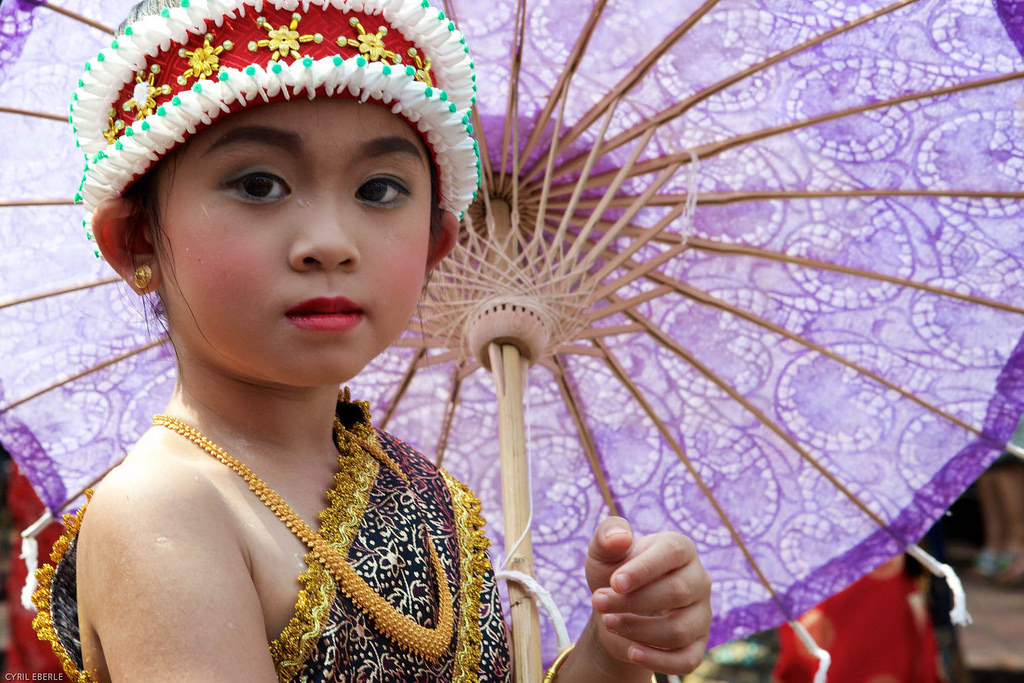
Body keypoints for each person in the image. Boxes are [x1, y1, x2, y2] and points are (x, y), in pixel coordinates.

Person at [30, 1, 713, 681]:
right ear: (138, 239)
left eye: (379, 189)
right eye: (259, 184)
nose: (330, 241)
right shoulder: (165, 508)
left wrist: (613, 651)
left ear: (434, 242)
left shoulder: (425, 491)